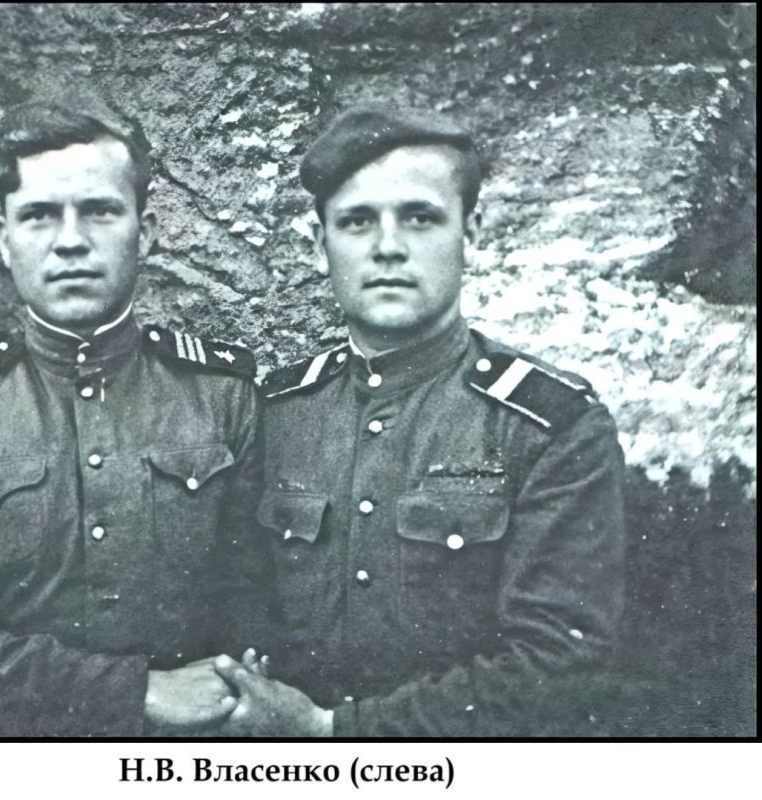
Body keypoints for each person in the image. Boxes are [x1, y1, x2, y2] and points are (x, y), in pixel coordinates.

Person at [213, 105, 626, 736]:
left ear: (471, 232)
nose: (388, 248)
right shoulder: (277, 412)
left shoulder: (550, 426)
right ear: (319, 245)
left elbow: (558, 662)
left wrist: (332, 730)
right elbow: (239, 607)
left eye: (420, 218)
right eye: (357, 222)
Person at [0, 93, 270, 737]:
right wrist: (137, 691)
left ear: (145, 232)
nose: (70, 241)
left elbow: (261, 608)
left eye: (99, 211)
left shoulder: (224, 398)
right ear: (4, 239)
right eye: (39, 215)